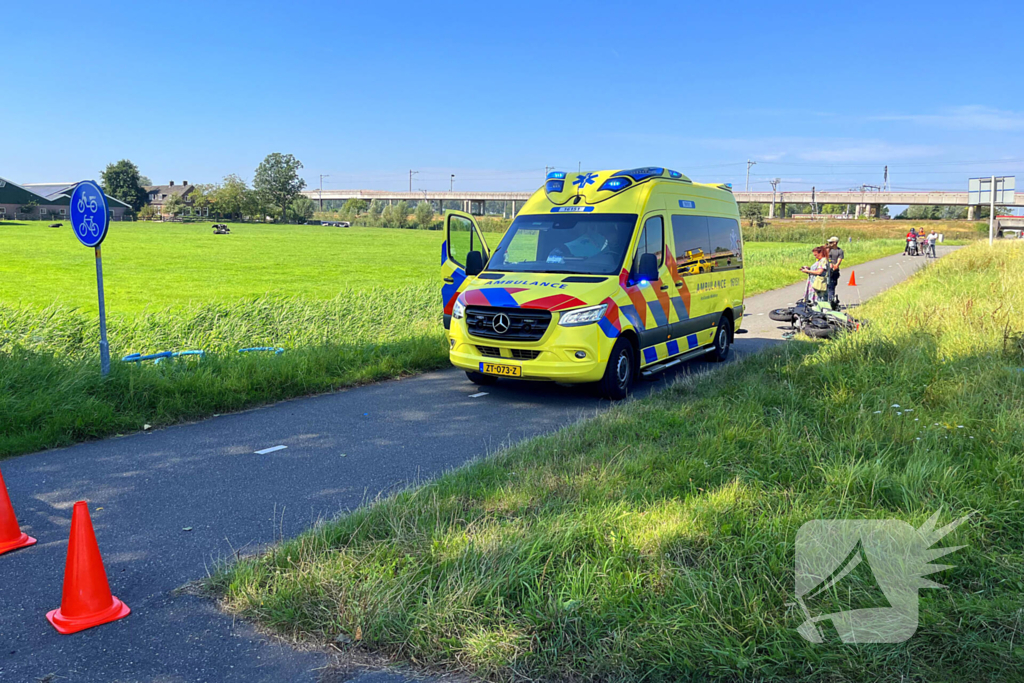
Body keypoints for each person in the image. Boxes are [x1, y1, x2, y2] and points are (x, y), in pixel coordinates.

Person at [826, 236, 844, 308]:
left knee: (832, 286)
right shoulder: (828, 250)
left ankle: (831, 301)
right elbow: (827, 258)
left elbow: (839, 259)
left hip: (834, 271)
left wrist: (836, 265)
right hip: (828, 270)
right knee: (827, 286)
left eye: (831, 242)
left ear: (835, 243)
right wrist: (831, 265)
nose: (829, 243)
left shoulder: (840, 251)